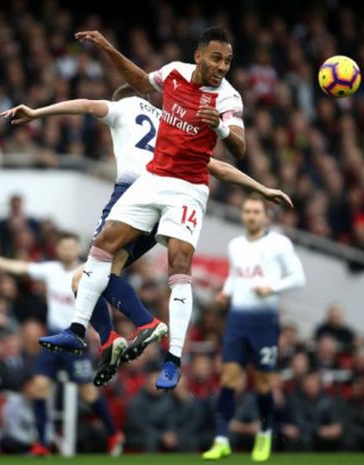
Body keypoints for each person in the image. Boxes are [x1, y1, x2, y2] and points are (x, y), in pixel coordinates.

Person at [0, 82, 290, 387]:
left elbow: (86, 104)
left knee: (90, 272)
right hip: (166, 195)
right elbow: (215, 165)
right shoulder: (168, 121)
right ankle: (111, 341)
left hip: (133, 195)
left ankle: (140, 323)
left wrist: (36, 113)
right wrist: (261, 188)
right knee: (86, 278)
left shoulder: (124, 105)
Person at [47, 26, 258, 391]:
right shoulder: (175, 72)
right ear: (198, 56)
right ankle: (79, 329)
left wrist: (222, 132)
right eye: (216, 58)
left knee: (178, 264)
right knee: (102, 244)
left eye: (228, 61)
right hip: (152, 179)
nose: (223, 66)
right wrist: (107, 46)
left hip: (188, 190)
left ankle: (173, 359)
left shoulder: (228, 99)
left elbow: (240, 148)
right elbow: (143, 80)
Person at [0, 234, 124, 456]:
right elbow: (21, 267)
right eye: (63, 246)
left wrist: (102, 331)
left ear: (77, 249)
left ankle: (113, 433)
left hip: (76, 338)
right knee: (39, 387)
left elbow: (102, 302)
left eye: (72, 246)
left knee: (87, 393)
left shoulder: (87, 270)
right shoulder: (51, 269)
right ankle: (42, 443)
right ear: (58, 249)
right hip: (53, 337)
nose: (67, 251)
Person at [202, 195, 306, 462]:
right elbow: (236, 275)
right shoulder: (235, 244)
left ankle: (264, 434)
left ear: (265, 215)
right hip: (237, 320)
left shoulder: (280, 243)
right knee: (228, 378)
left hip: (265, 322)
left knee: (262, 382)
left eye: (256, 212)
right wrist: (226, 293)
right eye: (247, 211)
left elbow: (298, 276)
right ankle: (222, 439)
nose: (250, 216)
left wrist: (272, 287)